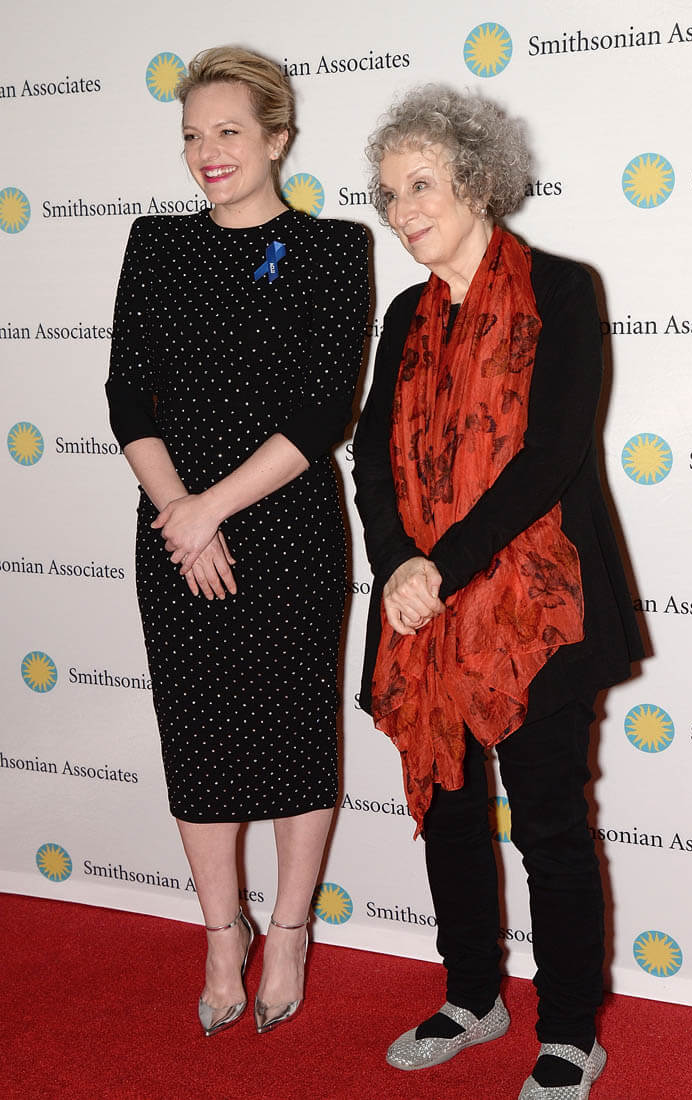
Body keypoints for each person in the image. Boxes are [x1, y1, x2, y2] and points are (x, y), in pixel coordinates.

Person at [352, 85, 643, 1099]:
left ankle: (568, 1032)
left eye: (421, 184)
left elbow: (550, 454)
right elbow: (372, 460)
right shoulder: (404, 314)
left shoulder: (561, 290)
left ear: (477, 182)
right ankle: (472, 994)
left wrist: (442, 564)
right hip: (422, 609)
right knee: (447, 810)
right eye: (389, 193)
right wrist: (399, 562)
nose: (401, 210)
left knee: (549, 824)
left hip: (534, 607)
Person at [106, 45, 369, 1038]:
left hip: (287, 526)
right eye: (191, 135)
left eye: (227, 131)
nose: (206, 152)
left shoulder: (333, 248)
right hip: (175, 528)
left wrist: (211, 507)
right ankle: (223, 933)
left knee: (297, 729)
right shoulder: (155, 244)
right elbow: (128, 392)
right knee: (198, 733)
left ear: (277, 138)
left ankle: (289, 930)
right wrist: (182, 511)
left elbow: (322, 411)